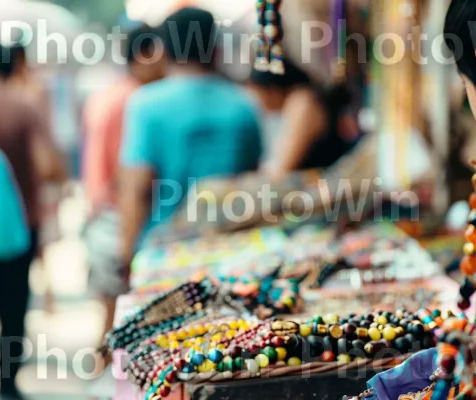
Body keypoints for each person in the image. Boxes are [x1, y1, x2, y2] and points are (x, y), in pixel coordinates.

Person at [119, 8, 263, 277]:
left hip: (165, 256)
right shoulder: (243, 103)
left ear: (163, 49)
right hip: (233, 253)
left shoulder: (145, 105)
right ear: (216, 47)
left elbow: (136, 190)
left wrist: (126, 254)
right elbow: (253, 180)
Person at [0, 43, 65, 399]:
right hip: (18, 226)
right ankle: (8, 382)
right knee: (13, 306)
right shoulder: (22, 106)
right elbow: (49, 166)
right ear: (14, 67)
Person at [83, 24, 165, 352]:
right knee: (121, 324)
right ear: (144, 55)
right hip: (119, 217)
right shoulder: (136, 99)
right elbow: (130, 178)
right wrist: (129, 246)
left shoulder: (107, 95)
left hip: (101, 214)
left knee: (110, 316)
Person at [248, 58, 357, 180]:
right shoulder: (304, 99)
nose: (256, 103)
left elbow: (281, 168)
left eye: (257, 94)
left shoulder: (302, 102)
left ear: (272, 89)